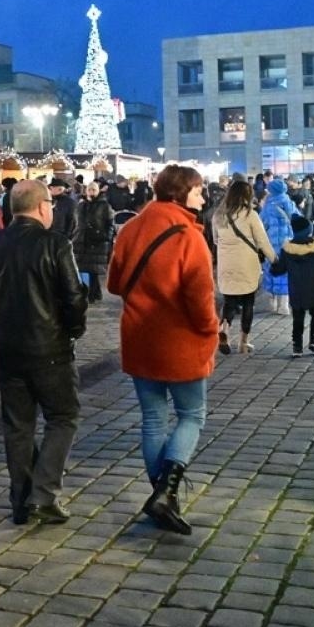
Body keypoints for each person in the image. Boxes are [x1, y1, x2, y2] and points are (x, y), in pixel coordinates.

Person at [0, 179, 87, 525]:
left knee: (18, 426)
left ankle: (21, 501)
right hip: (50, 349)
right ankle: (43, 494)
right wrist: (73, 329)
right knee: (63, 417)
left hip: (7, 351)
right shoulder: (56, 244)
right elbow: (74, 296)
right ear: (43, 206)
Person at [107, 164, 218, 535]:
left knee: (153, 419)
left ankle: (161, 494)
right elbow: (200, 297)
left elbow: (114, 283)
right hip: (181, 340)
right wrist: (210, 330)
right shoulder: (189, 235)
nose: (202, 197)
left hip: (140, 337)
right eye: (198, 190)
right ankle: (165, 494)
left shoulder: (132, 227)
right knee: (192, 415)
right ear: (180, 192)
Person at [211, 178, 274, 354]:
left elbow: (216, 240)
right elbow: (262, 241)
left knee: (229, 301)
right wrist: (274, 259)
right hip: (247, 263)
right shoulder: (250, 215)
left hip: (226, 263)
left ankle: (224, 329)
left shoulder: (218, 215)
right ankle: (243, 343)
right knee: (248, 303)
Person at [270, 214, 314, 356]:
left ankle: (297, 345)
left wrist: (273, 264)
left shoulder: (287, 249)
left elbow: (279, 269)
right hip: (313, 288)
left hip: (295, 289)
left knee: (298, 316)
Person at [260, 178, 298, 314]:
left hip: (271, 244)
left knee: (271, 271)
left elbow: (261, 225)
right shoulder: (290, 204)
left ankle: (273, 303)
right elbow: (298, 222)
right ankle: (284, 305)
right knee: (286, 273)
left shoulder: (268, 206)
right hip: (288, 244)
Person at [73, 181, 115, 303]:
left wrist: (107, 236)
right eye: (89, 190)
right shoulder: (81, 206)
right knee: (86, 268)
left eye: (94, 190)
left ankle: (92, 294)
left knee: (93, 270)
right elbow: (77, 222)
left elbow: (110, 223)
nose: (91, 192)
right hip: (82, 240)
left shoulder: (104, 205)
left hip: (97, 240)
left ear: (98, 191)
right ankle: (94, 293)